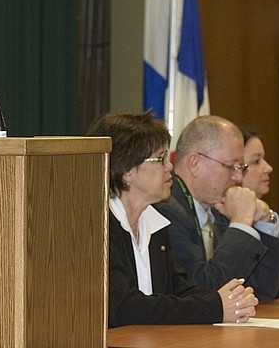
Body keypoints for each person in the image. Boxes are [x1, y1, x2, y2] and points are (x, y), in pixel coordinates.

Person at [88, 112, 257, 327]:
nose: (169, 167)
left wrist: (231, 300)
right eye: (160, 159)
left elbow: (178, 288)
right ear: (126, 171)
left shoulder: (154, 224)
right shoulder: (100, 226)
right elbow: (126, 308)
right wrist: (215, 307)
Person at [154, 116, 279, 302]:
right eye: (231, 166)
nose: (238, 177)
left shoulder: (220, 206)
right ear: (194, 164)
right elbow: (203, 290)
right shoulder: (166, 211)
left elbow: (262, 290)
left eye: (241, 167)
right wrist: (241, 223)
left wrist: (264, 222)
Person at [238, 125, 279, 297]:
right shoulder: (218, 219)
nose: (268, 168)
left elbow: (276, 288)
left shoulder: (266, 213)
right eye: (256, 161)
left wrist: (267, 223)